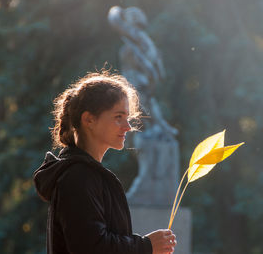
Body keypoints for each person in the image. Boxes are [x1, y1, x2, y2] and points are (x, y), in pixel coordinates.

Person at [32, 67, 177, 254]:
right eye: (118, 117)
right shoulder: (78, 177)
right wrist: (145, 246)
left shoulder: (86, 174)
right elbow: (91, 248)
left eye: (128, 117)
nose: (127, 127)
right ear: (89, 120)